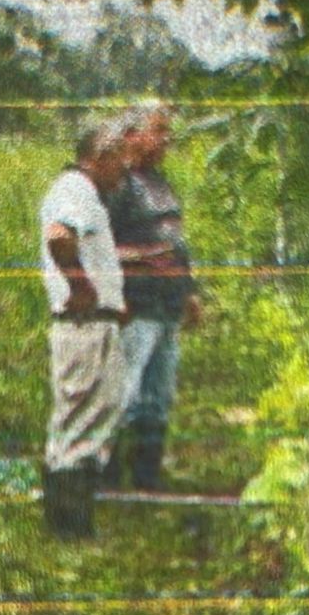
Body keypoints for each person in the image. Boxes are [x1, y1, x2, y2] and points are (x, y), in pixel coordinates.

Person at [38, 119, 130, 539]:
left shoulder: (87, 194)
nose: (123, 172)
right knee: (77, 421)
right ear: (101, 157)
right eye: (119, 162)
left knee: (95, 416)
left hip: (97, 321)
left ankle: (72, 521)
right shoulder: (73, 189)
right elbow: (59, 236)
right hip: (82, 324)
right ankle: (67, 526)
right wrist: (80, 286)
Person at [105, 102, 202, 492]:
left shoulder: (161, 183)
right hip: (136, 306)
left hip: (168, 307)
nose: (166, 139)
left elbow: (177, 244)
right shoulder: (118, 185)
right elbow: (99, 249)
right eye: (158, 130)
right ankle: (108, 476)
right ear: (133, 135)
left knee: (159, 395)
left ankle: (147, 476)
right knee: (125, 392)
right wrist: (115, 296)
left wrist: (190, 291)